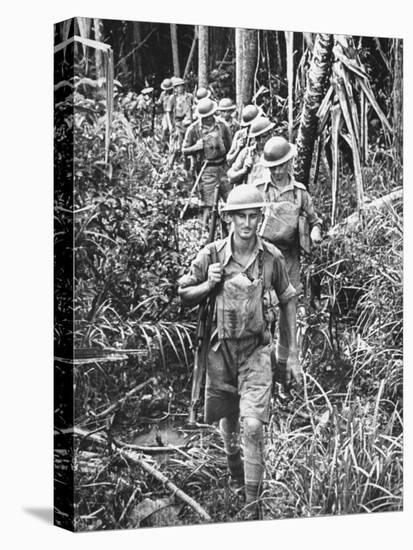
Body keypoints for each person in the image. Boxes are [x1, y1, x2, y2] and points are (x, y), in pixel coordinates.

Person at [178, 184, 301, 519]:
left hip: (256, 352)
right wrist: (209, 284)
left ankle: (252, 506)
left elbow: (288, 298)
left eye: (252, 216)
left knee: (253, 425)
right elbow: (183, 293)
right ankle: (236, 474)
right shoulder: (212, 256)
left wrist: (289, 355)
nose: (247, 223)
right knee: (229, 420)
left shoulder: (270, 257)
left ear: (259, 217)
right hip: (220, 352)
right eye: (240, 217)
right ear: (228, 218)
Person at [256, 136, 322, 390]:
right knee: (262, 311)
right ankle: (262, 369)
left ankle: (286, 369)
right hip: (266, 257)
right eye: (273, 167)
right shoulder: (262, 190)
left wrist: (315, 232)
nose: (278, 171)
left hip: (291, 258)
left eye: (282, 165)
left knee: (288, 311)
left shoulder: (299, 192)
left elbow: (314, 220)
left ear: (290, 163)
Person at [182, 97, 232, 230]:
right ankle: (206, 235)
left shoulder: (222, 126)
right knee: (207, 206)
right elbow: (184, 150)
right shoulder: (193, 129)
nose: (208, 119)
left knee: (231, 202)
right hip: (206, 171)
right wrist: (196, 147)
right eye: (205, 117)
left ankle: (229, 232)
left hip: (223, 168)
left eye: (210, 116)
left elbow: (230, 147)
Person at [227, 116, 274, 187]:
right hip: (252, 194)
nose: (261, 141)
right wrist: (243, 171)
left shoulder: (278, 152)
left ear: (271, 133)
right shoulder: (247, 153)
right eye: (258, 138)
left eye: (264, 136)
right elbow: (230, 175)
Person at [169, 77, 194, 153]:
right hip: (178, 122)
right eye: (177, 87)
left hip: (188, 121)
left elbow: (193, 107)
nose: (179, 88)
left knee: (189, 140)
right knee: (178, 141)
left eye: (181, 86)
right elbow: (169, 112)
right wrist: (170, 124)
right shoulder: (173, 98)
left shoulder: (189, 96)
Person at [157, 78, 174, 149]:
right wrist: (156, 104)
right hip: (165, 114)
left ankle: (172, 145)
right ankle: (163, 145)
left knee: (173, 130)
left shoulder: (174, 94)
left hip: (173, 114)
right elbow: (160, 102)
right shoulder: (163, 94)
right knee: (165, 128)